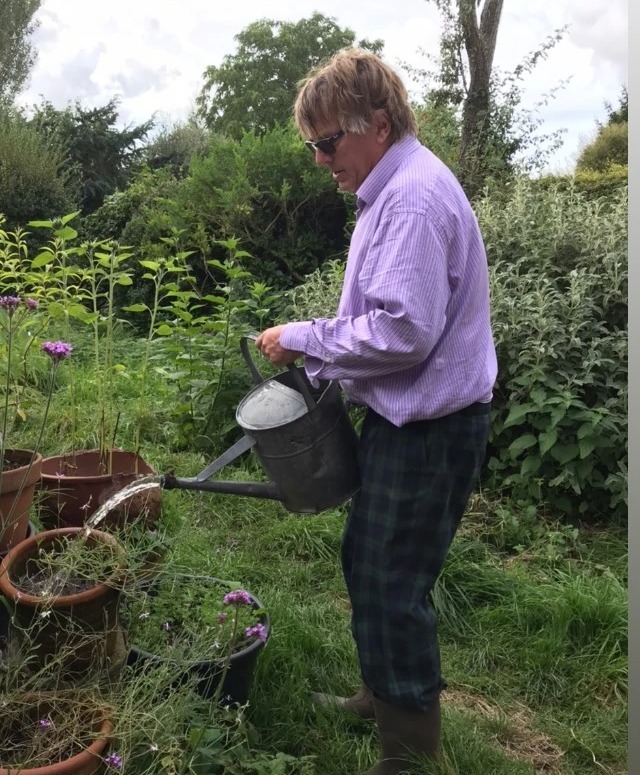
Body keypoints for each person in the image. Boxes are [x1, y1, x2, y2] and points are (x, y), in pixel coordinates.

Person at [255, 47, 497, 775]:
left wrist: (303, 338)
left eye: (328, 142)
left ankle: (410, 753)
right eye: (313, 145)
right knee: (368, 560)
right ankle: (380, 691)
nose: (321, 159)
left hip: (430, 429)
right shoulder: (390, 188)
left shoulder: (414, 198)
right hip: (403, 419)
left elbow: (402, 329)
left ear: (379, 124)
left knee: (394, 584)